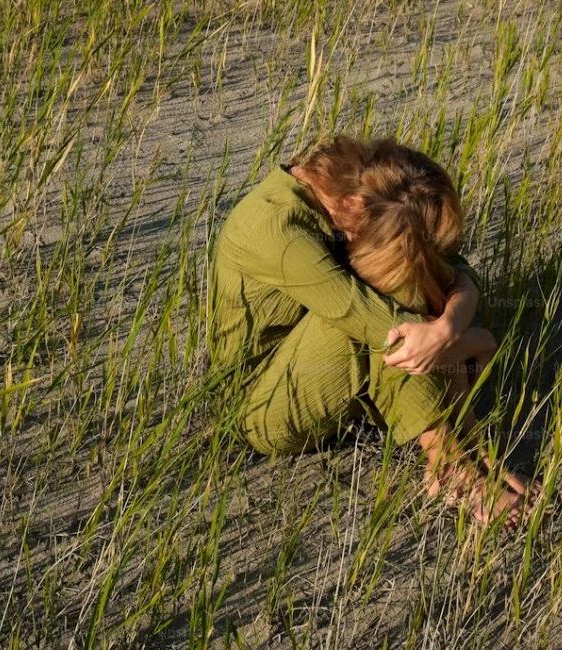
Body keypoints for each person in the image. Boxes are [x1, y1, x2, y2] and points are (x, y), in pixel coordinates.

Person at [204, 134, 533, 525]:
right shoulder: (278, 232)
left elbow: (457, 269)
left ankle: (466, 443)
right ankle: (448, 465)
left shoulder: (351, 186)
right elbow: (384, 328)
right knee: (384, 313)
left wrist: (451, 326)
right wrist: (474, 340)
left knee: (401, 274)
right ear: (353, 206)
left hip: (314, 366)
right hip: (261, 408)